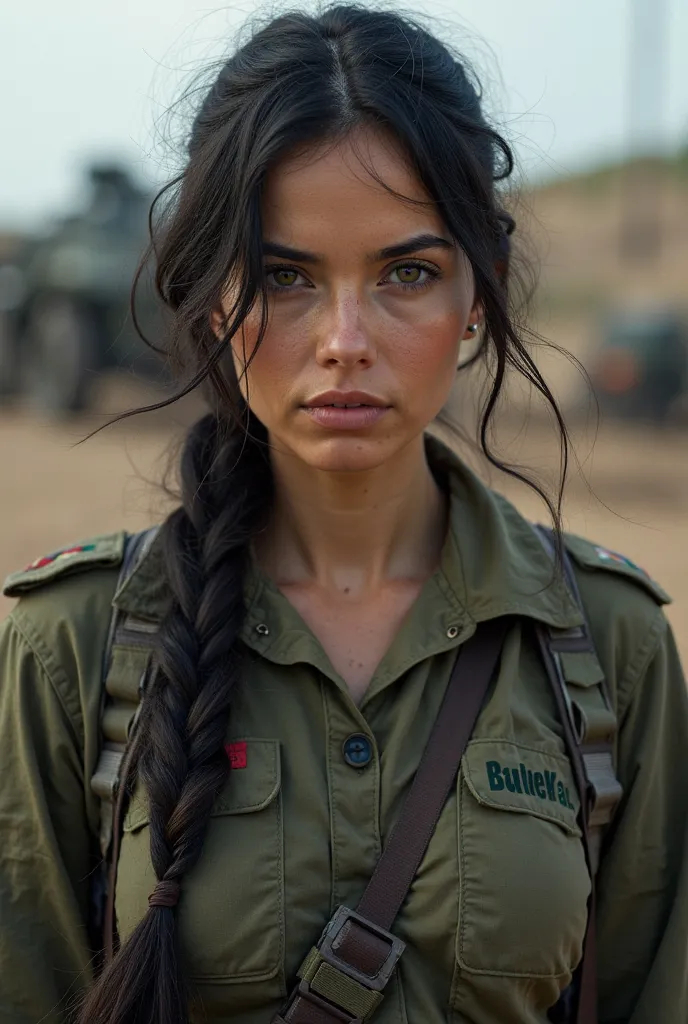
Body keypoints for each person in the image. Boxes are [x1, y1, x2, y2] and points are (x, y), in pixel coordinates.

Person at [0, 5, 686, 1024]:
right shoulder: (78, 644)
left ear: (477, 294)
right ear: (212, 296)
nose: (344, 339)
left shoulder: (606, 645)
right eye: (285, 276)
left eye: (405, 272)